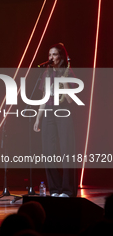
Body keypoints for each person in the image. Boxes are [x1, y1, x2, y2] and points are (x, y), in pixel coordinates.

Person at [33, 43, 78, 197]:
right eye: (49, 55)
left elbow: (71, 100)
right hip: (49, 113)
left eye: (54, 54)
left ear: (61, 57)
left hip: (64, 111)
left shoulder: (68, 72)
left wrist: (63, 78)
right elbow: (44, 98)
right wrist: (38, 118)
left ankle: (67, 190)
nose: (51, 58)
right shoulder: (46, 74)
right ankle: (55, 189)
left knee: (66, 151)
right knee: (47, 151)